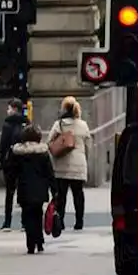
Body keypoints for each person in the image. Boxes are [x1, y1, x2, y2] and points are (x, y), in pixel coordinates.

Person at [10, 124, 57, 254]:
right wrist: (54, 190)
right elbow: (49, 173)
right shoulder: (43, 153)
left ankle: (30, 244)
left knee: (27, 216)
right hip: (40, 189)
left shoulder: (18, 153)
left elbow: (12, 172)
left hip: (24, 188)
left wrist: (11, 186)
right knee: (37, 214)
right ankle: (39, 241)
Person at [47, 96, 90, 231]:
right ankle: (79, 221)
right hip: (79, 165)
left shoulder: (59, 124)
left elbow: (49, 141)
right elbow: (88, 145)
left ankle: (61, 221)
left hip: (61, 165)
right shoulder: (83, 125)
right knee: (78, 194)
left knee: (61, 194)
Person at [0, 99, 29, 232]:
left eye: (9, 108)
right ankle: (24, 222)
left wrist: (1, 160)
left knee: (9, 193)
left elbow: (3, 144)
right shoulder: (26, 123)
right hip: (23, 161)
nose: (7, 110)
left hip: (10, 162)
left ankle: (7, 222)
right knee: (24, 192)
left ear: (14, 109)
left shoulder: (7, 124)